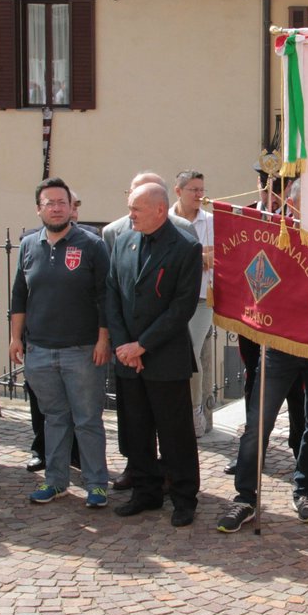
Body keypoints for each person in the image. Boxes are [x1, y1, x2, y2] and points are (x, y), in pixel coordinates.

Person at [218, 179, 308, 532]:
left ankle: (305, 490)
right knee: (259, 422)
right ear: (291, 206)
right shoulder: (274, 235)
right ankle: (245, 497)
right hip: (282, 342)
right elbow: (253, 274)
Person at [9, 177, 112, 507]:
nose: (56, 208)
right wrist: (15, 338)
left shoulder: (92, 244)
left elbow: (105, 297)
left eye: (61, 202)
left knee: (87, 420)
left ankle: (96, 484)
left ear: (72, 208)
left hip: (82, 351)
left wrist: (102, 341)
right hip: (39, 350)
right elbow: (19, 296)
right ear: (39, 208)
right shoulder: (27, 245)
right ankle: (56, 482)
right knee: (54, 419)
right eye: (49, 202)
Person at [105, 182, 203, 526]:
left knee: (175, 432)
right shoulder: (123, 240)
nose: (129, 215)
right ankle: (145, 492)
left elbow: (181, 308)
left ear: (160, 211)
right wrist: (123, 346)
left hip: (163, 357)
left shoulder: (185, 247)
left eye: (136, 209)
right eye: (130, 208)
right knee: (136, 429)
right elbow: (112, 293)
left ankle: (183, 497)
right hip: (128, 357)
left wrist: (142, 345)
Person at [171, 169, 216, 436]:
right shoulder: (166, 219)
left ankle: (195, 410)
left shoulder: (210, 221)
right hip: (170, 300)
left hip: (201, 299)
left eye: (202, 189)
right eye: (194, 190)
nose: (200, 195)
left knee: (191, 354)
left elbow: (218, 255)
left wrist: (188, 258)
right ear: (178, 191)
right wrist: (198, 256)